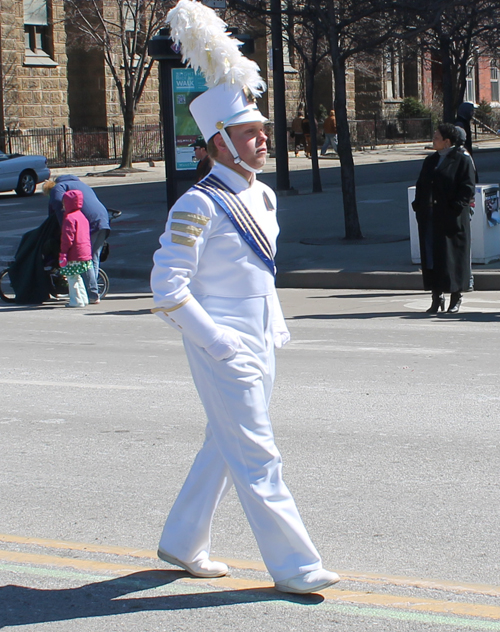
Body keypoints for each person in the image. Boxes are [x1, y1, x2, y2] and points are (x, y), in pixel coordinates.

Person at [151, 0, 340, 596]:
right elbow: (167, 289)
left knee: (224, 442)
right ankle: (296, 566)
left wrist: (271, 324)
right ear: (218, 143)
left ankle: (183, 540)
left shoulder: (262, 196)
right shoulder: (198, 203)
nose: (264, 140)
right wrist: (218, 340)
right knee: (258, 453)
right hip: (222, 342)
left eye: (263, 131)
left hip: (259, 336)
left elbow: (261, 272)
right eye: (250, 134)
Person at [412, 123, 475, 314]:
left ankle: (456, 296)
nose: (433, 139)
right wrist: (418, 205)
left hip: (451, 218)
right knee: (432, 257)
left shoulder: (461, 160)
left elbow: (467, 187)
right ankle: (436, 296)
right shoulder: (431, 160)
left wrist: (455, 207)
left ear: (447, 142)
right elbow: (422, 184)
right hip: (430, 216)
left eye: (437, 137)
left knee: (452, 258)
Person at [44, 175, 110, 304]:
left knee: (86, 258)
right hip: (103, 220)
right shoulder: (82, 185)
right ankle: (92, 291)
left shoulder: (58, 188)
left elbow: (58, 210)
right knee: (93, 258)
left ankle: (92, 293)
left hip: (89, 223)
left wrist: (58, 229)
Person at [59, 190, 92, 308]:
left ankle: (76, 301)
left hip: (74, 253)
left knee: (71, 278)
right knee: (77, 276)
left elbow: (67, 238)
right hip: (84, 252)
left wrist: (63, 253)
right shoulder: (81, 216)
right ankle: (84, 298)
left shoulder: (69, 218)